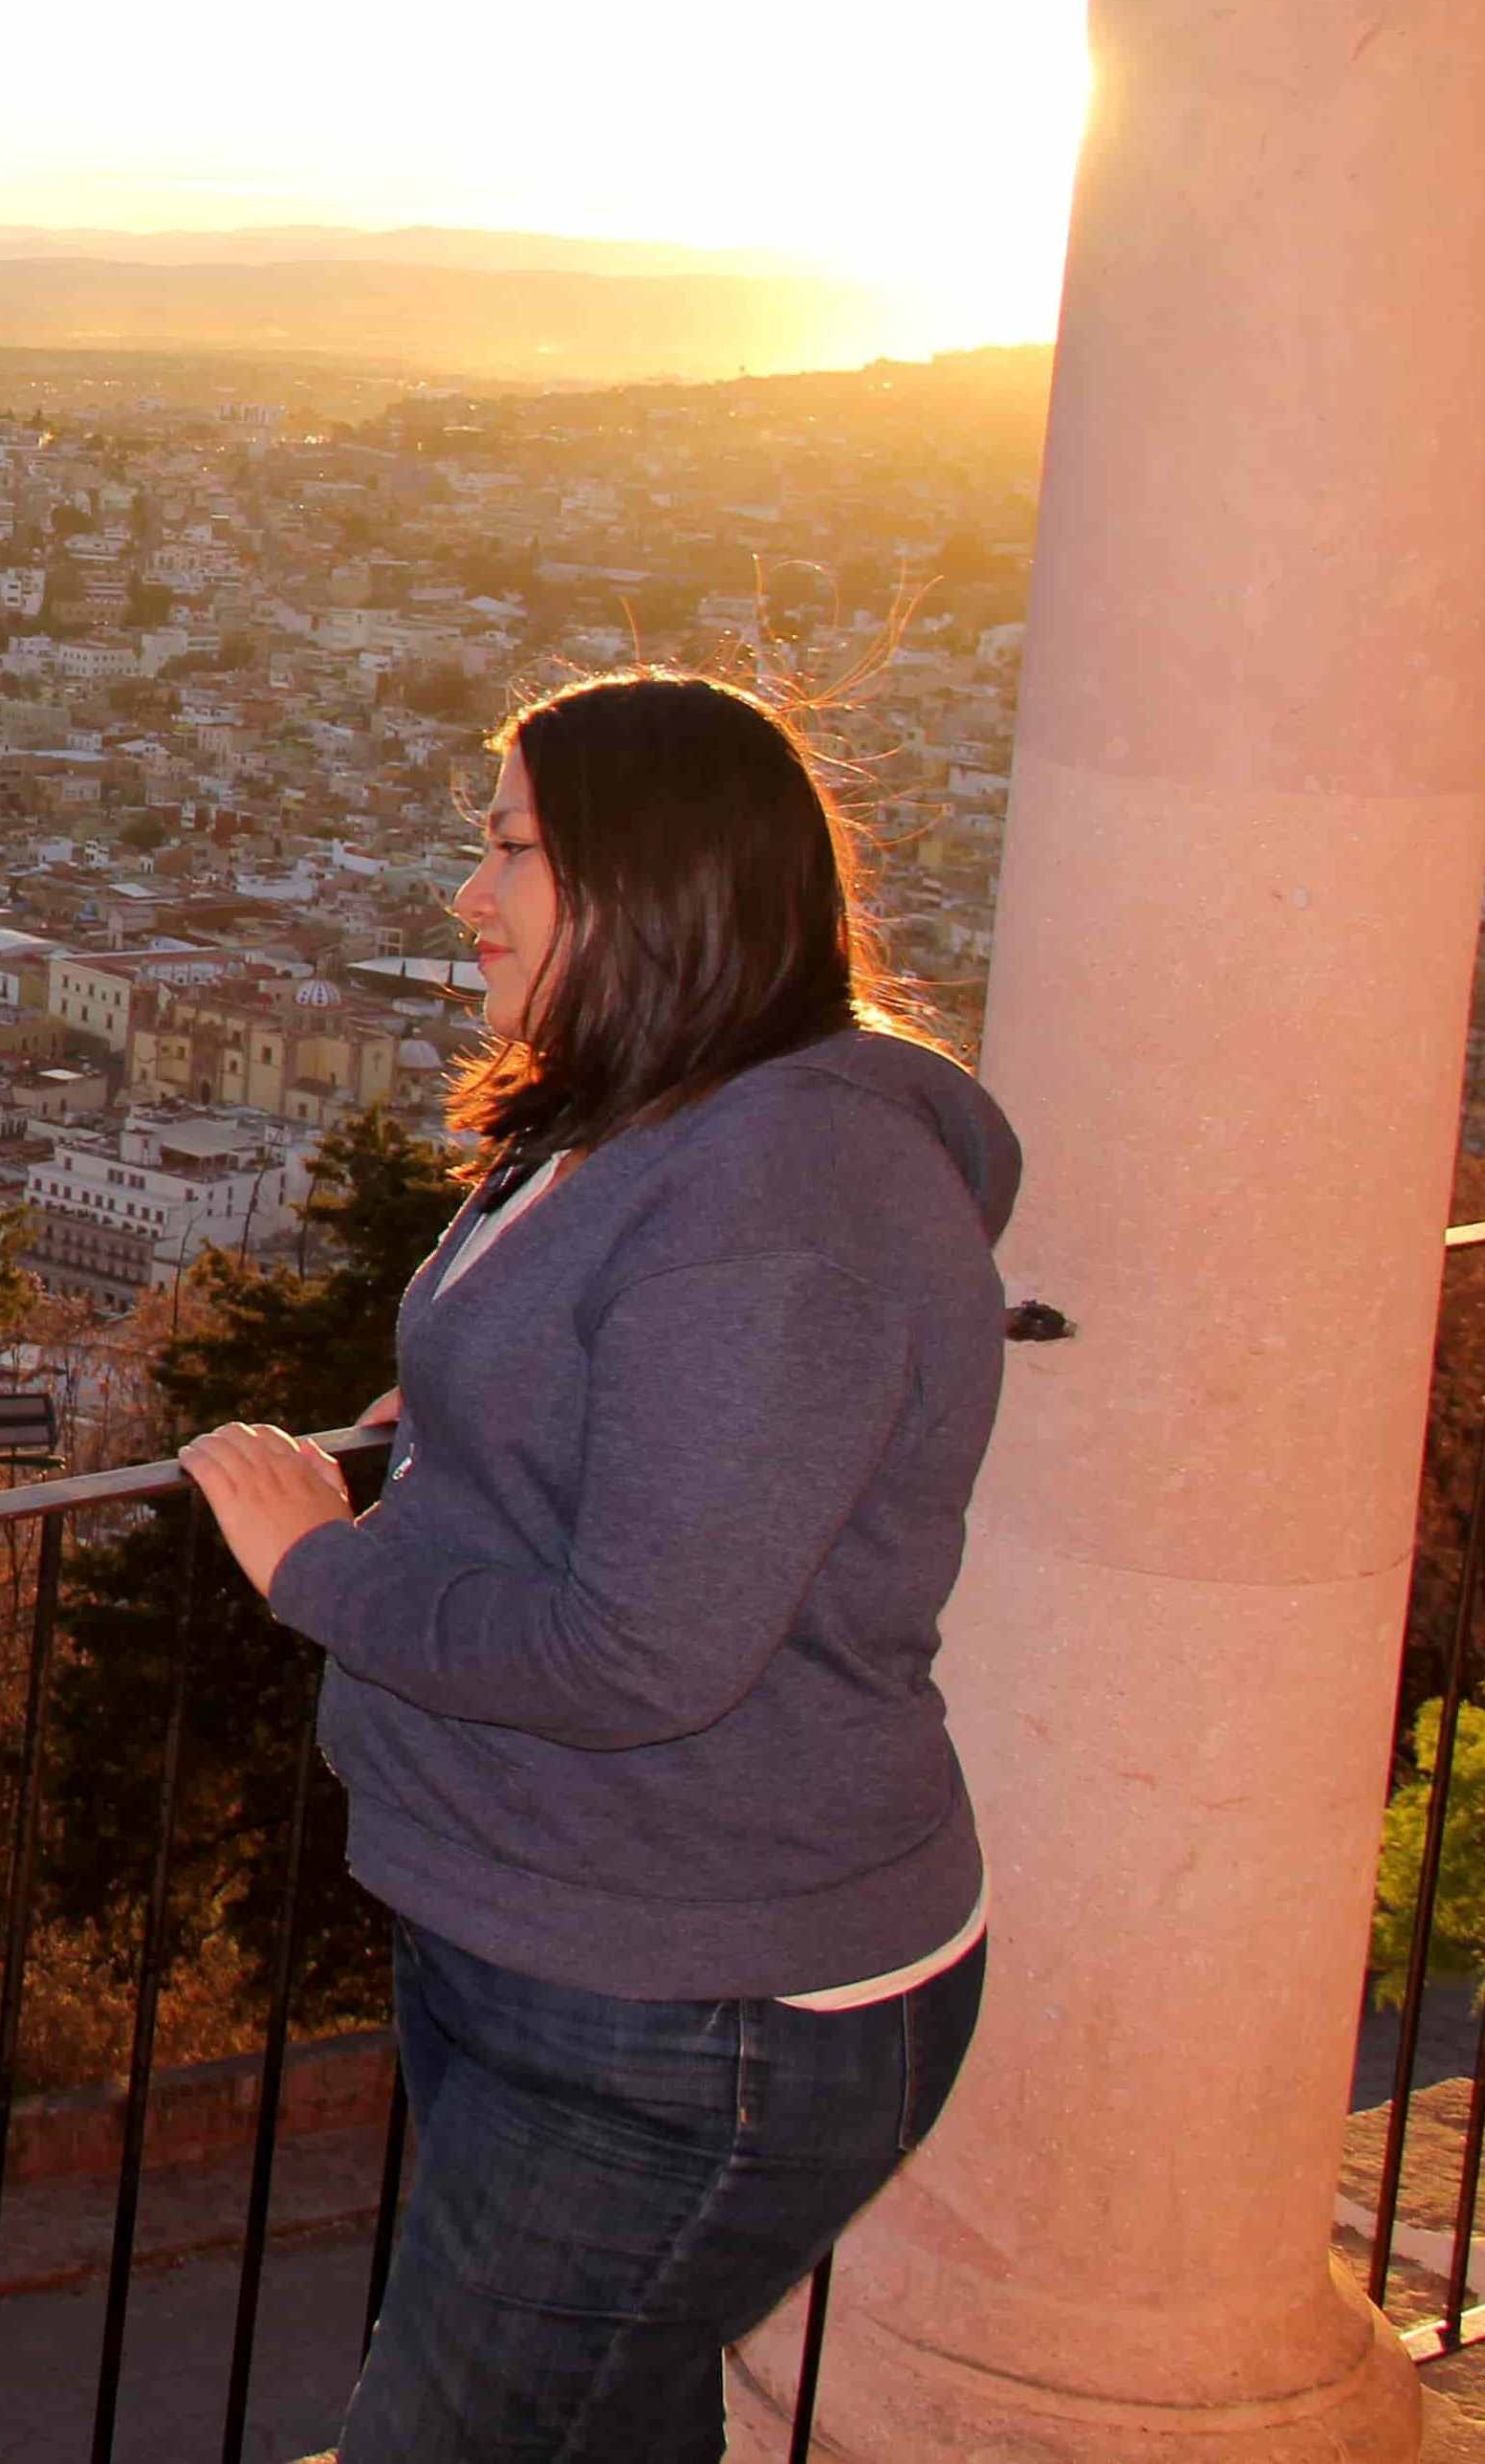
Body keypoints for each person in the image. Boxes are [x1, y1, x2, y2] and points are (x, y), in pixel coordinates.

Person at [178, 671, 1019, 2461]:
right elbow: (646, 1406)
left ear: (656, 883)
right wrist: (484, 1405)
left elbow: (645, 1655)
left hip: (695, 2006)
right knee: (605, 2418)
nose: (467, 896)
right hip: (575, 1926)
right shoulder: (667, 1114)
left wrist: (316, 1568)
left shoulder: (774, 1208)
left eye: (511, 851)